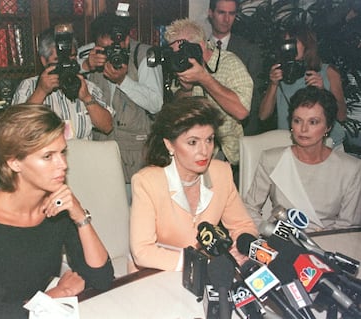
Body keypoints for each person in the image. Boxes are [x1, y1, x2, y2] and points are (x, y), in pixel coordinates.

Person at [0, 105, 114, 318]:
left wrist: (80, 216)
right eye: (48, 156)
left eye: (62, 152)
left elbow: (101, 278)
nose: (62, 164)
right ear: (14, 162)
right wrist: (57, 294)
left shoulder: (57, 206)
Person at [130, 96, 258, 271]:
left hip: (211, 272)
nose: (204, 151)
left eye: (209, 140)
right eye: (193, 142)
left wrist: (239, 247)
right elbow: (142, 251)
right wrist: (203, 262)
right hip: (156, 272)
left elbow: (243, 226)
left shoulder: (222, 173)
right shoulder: (147, 182)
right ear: (170, 145)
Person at [244, 86, 361, 232]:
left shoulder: (351, 169)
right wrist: (269, 231)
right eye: (298, 121)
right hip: (282, 241)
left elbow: (348, 227)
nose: (303, 129)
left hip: (327, 244)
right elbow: (249, 208)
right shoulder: (271, 160)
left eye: (313, 122)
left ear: (328, 127)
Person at [77, 13, 163, 189]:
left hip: (136, 155)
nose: (109, 54)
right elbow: (66, 80)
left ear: (125, 40)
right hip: (99, 150)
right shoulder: (87, 53)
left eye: (114, 47)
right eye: (103, 48)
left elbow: (156, 104)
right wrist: (85, 66)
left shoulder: (145, 56)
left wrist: (123, 81)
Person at [164, 18, 253, 169]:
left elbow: (242, 111)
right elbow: (175, 110)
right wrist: (186, 89)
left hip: (227, 154)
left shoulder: (229, 63)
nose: (180, 56)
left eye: (183, 50)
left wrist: (204, 78)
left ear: (200, 46)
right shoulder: (181, 65)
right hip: (192, 150)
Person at [12, 25, 113, 140]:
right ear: (44, 60)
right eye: (59, 60)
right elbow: (16, 130)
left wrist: (87, 98)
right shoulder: (29, 86)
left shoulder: (87, 86)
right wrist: (41, 92)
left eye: (72, 58)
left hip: (82, 156)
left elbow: (107, 127)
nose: (66, 65)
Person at [259, 24, 347, 147]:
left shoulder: (328, 72)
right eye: (285, 42)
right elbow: (263, 115)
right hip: (293, 145)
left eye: (293, 42)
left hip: (328, 145)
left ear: (306, 44)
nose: (289, 46)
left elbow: (342, 116)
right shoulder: (281, 73)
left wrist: (323, 90)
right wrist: (273, 84)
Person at [208, 0, 265, 135]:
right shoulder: (200, 47)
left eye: (231, 13)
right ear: (211, 13)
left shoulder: (249, 50)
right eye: (221, 12)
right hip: (207, 128)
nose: (226, 19)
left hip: (240, 130)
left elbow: (254, 98)